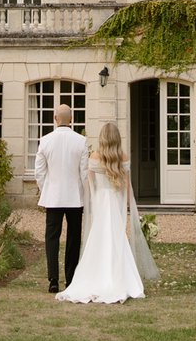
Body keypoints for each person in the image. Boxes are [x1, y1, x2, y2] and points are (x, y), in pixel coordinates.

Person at [55, 122, 160, 304]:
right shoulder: (123, 157)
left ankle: (94, 277)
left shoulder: (95, 156)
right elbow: (127, 187)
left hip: (101, 202)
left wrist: (93, 202)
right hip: (115, 202)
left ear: (102, 138)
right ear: (117, 138)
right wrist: (131, 208)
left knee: (99, 237)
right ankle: (119, 278)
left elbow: (90, 183)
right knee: (116, 237)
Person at [35, 103, 87, 294]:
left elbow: (39, 173)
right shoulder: (81, 141)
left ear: (55, 118)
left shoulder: (45, 140)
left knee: (52, 238)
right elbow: (84, 173)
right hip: (74, 197)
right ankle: (71, 279)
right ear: (71, 119)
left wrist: (46, 189)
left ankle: (53, 280)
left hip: (53, 198)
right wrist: (85, 194)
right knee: (74, 238)